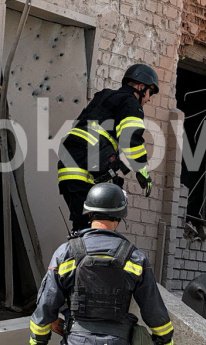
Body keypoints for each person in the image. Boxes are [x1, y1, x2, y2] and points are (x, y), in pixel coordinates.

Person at [27, 183, 176, 345]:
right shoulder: (134, 257)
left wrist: (38, 344)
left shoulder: (66, 252)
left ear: (89, 213)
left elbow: (46, 305)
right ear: (120, 216)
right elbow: (154, 310)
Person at [57, 64, 159, 233]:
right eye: (150, 92)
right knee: (95, 228)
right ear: (141, 87)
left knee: (81, 226)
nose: (148, 98)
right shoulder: (130, 103)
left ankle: (76, 255)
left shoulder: (103, 96)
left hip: (67, 169)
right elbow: (130, 138)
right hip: (87, 169)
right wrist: (142, 170)